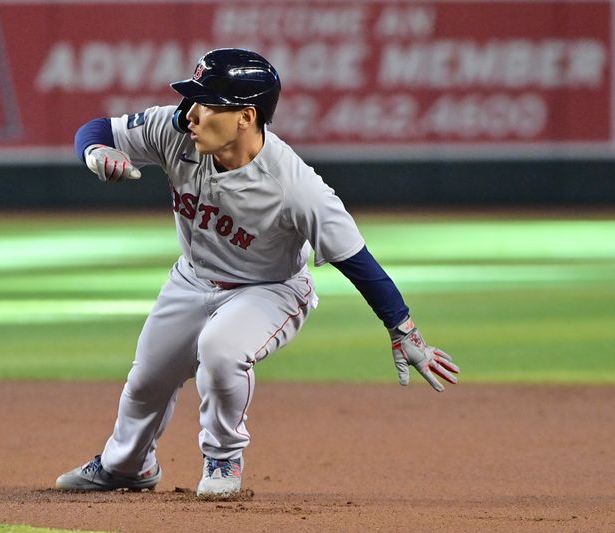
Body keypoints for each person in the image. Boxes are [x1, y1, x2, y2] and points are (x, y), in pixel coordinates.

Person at [55, 48, 459, 499]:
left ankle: (224, 458)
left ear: (246, 116)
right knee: (148, 378)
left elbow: (357, 261)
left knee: (221, 350)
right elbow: (96, 130)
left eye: (206, 103)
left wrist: (402, 329)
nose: (190, 113)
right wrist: (94, 152)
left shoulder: (295, 186)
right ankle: (127, 467)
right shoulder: (174, 131)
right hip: (193, 278)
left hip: (270, 289)